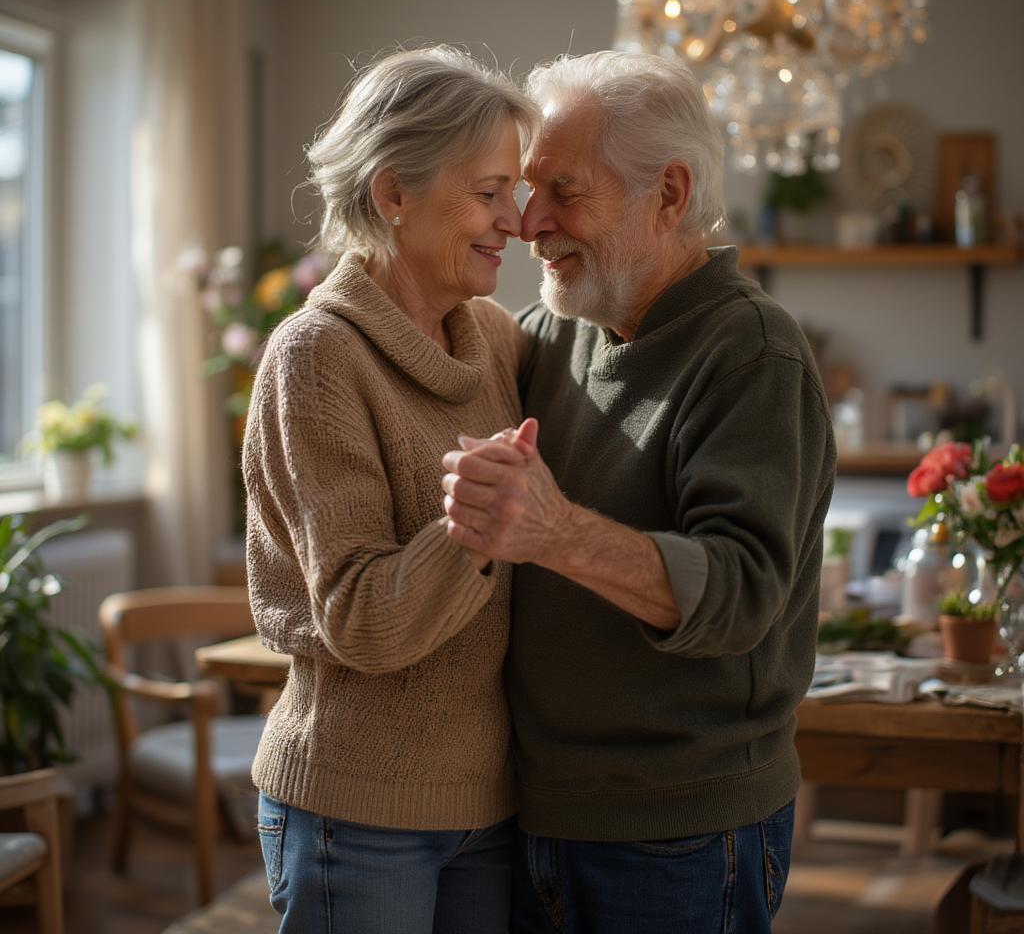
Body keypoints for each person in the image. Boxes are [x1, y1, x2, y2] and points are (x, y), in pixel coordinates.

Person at [441, 50, 837, 932]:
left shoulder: (753, 353)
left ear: (669, 193)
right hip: (531, 808)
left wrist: (556, 533)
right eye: (526, 189)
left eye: (564, 191)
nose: (529, 221)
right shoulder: (550, 331)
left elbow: (739, 595)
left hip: (680, 831)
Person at [242, 46, 537, 934]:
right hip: (353, 808)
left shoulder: (490, 335)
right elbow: (363, 619)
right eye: (488, 192)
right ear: (392, 193)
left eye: (513, 192)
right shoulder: (315, 356)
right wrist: (476, 520)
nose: (514, 222)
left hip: (488, 802)